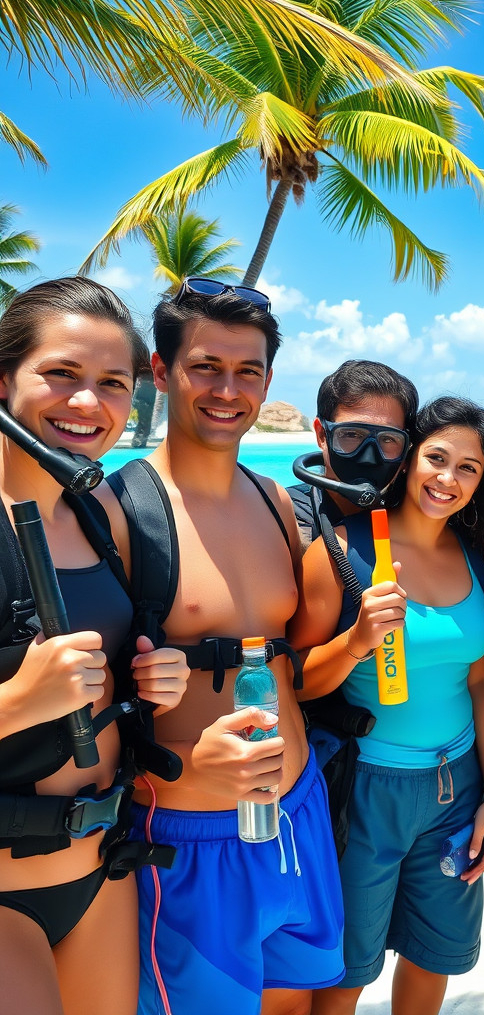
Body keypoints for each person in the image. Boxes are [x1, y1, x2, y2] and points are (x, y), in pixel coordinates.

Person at [105, 278, 345, 1015]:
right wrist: (179, 772)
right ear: (159, 371)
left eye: (248, 371)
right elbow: (85, 703)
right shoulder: (116, 511)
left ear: (268, 380)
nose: (227, 389)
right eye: (205, 366)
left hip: (296, 818)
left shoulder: (278, 503)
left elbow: (300, 654)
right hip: (187, 837)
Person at [0, 277, 189, 1015]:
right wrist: (22, 698)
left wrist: (146, 683)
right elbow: (38, 691)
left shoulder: (90, 515)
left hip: (103, 873)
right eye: (61, 375)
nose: (89, 404)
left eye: (113, 383)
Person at [290, 395, 484, 1015]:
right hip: (367, 786)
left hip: (457, 786)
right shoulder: (339, 551)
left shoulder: (476, 554)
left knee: (433, 955)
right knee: (347, 968)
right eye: (437, 459)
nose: (448, 479)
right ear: (409, 459)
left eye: (469, 468)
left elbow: (482, 681)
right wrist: (357, 641)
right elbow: (296, 681)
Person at [288, 359, 418, 549]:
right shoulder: (286, 515)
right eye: (351, 434)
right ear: (322, 435)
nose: (369, 457)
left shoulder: (416, 515)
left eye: (389, 439)